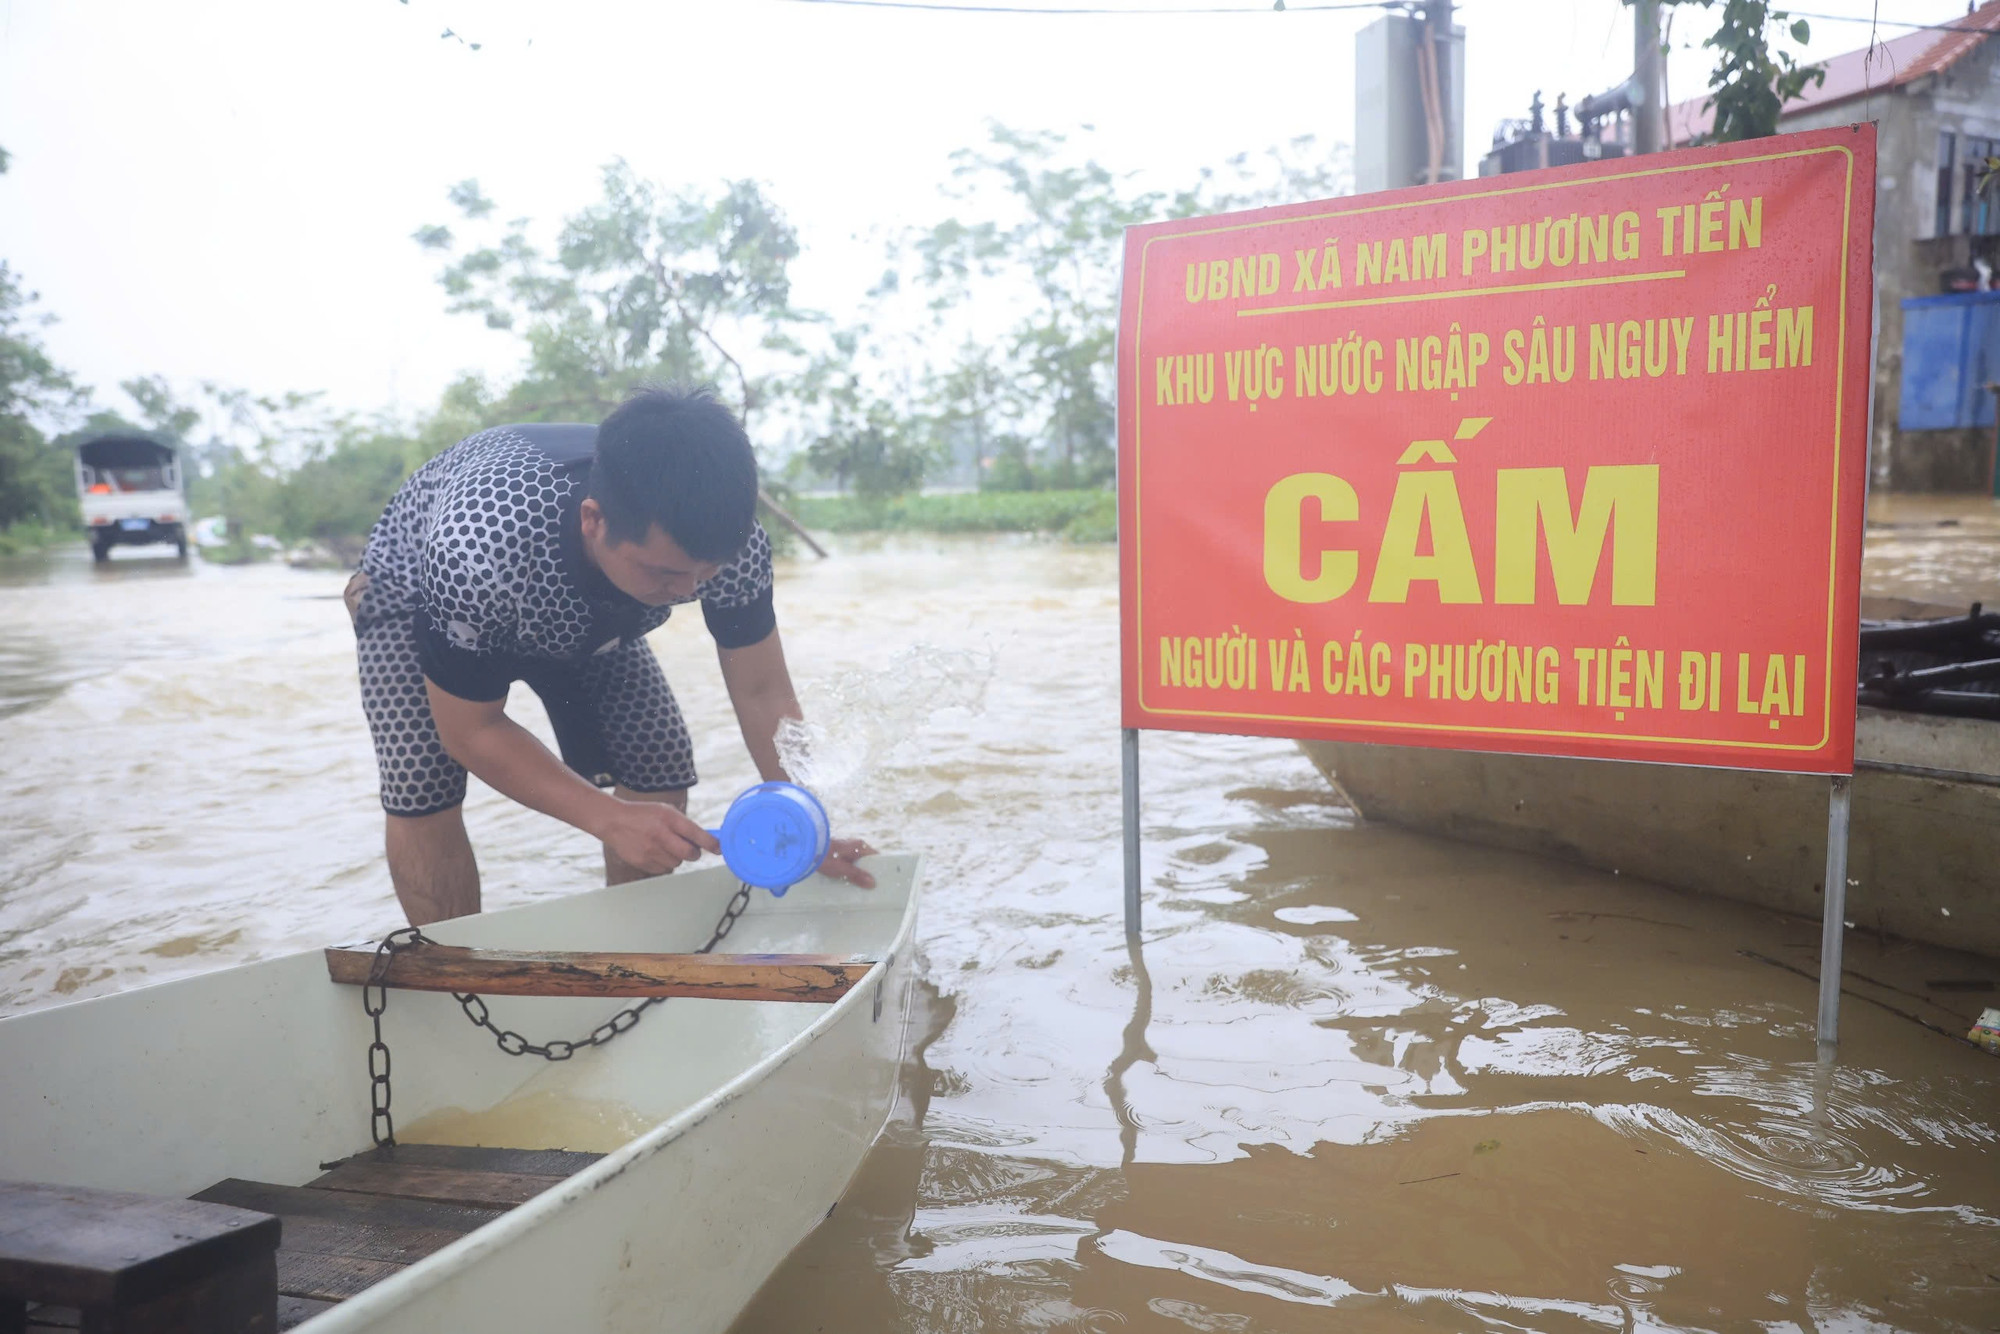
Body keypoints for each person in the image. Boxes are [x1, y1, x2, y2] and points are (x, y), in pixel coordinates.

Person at [344, 387, 874, 925]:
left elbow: (762, 690)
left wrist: (804, 821)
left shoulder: (727, 551)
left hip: (584, 608)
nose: (687, 589)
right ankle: (449, 968)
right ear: (593, 520)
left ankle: (631, 946)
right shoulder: (474, 550)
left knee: (657, 759)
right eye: (666, 573)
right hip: (417, 596)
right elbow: (471, 730)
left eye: (704, 573)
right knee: (422, 782)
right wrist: (606, 817)